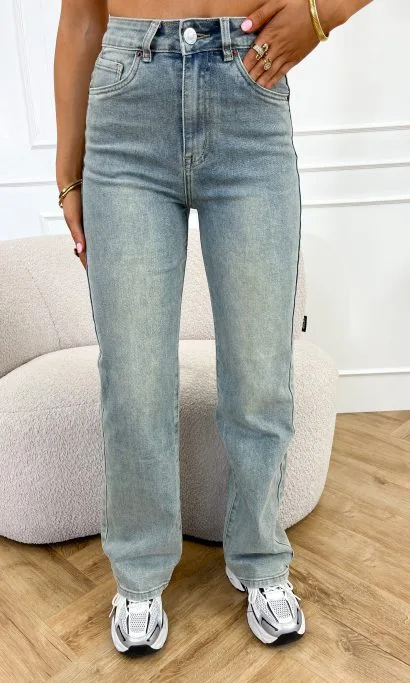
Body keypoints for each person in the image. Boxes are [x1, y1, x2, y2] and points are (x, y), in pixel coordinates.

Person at [54, 0, 373, 655]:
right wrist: (67, 171)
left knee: (260, 375)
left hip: (248, 90)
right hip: (126, 109)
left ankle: (260, 558)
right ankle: (138, 573)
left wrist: (323, 13)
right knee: (134, 379)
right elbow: (82, 18)